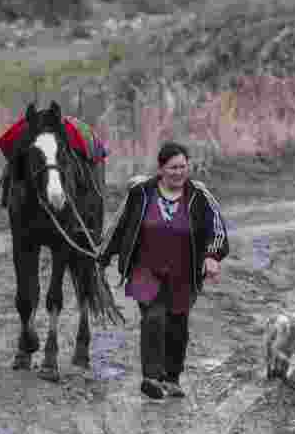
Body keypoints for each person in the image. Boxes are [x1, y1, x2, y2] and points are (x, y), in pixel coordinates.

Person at [98, 141, 230, 400]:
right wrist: (102, 257)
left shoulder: (199, 196)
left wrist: (213, 256)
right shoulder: (142, 193)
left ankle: (172, 378)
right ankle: (151, 377)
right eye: (172, 168)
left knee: (177, 326)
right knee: (154, 317)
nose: (178, 172)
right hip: (146, 269)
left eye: (182, 167)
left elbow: (217, 228)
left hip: (184, 273)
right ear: (161, 169)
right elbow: (120, 226)